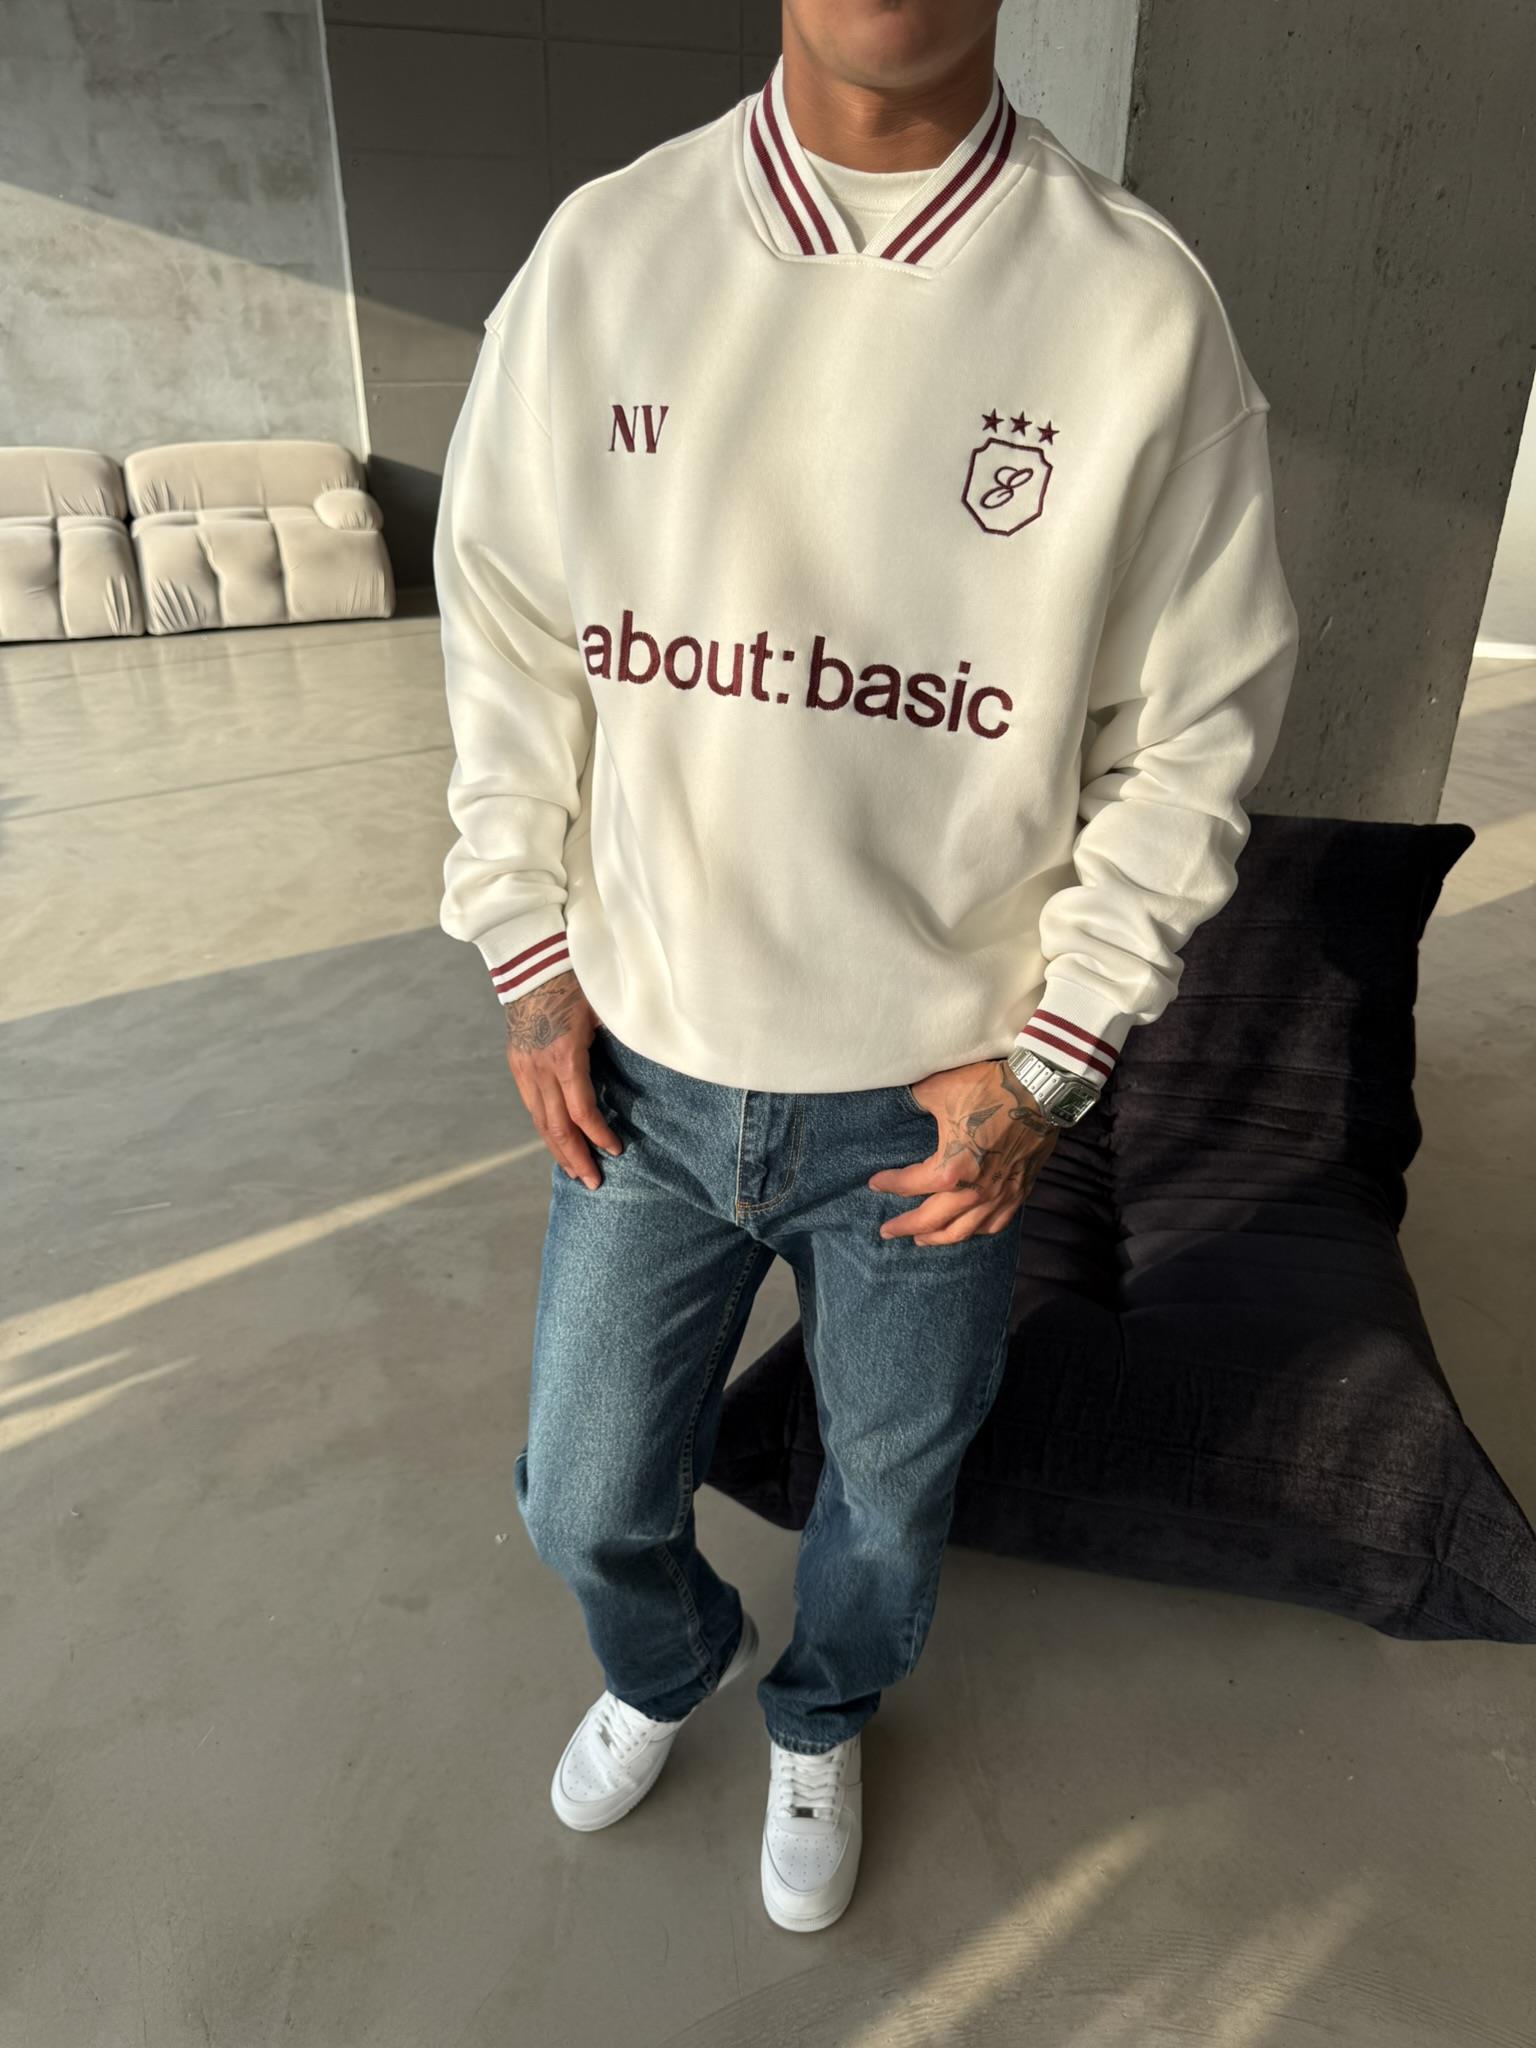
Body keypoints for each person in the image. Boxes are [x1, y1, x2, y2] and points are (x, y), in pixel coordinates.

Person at [434, 0, 1299, 1935]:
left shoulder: (1134, 309)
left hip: (935, 1105)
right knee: (580, 1492)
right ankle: (673, 1659)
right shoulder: (608, 255)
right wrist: (527, 951)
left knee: (892, 1501)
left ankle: (823, 1713)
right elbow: (507, 630)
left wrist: (1055, 1059)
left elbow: (1196, 730)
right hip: (645, 1074)